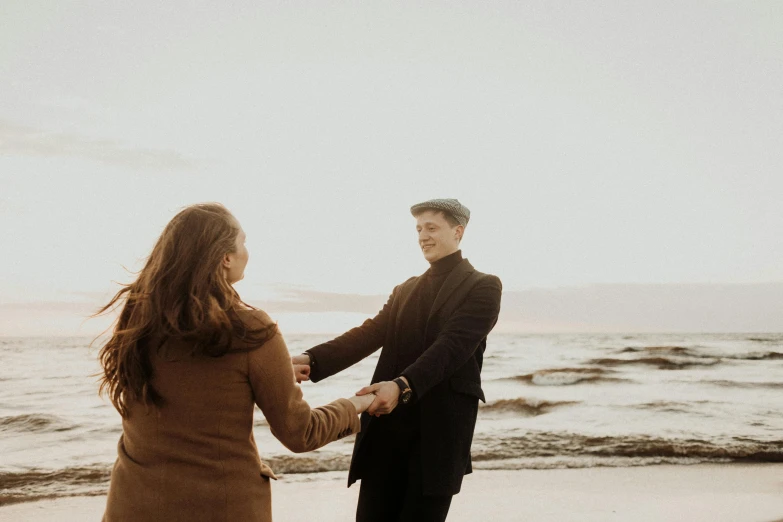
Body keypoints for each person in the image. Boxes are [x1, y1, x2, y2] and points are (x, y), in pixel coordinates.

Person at [97, 203, 374, 522]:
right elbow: (300, 433)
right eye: (243, 242)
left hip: (131, 507)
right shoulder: (250, 330)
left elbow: (198, 376)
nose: (247, 251)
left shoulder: (138, 321)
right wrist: (358, 404)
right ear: (225, 257)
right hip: (220, 509)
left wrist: (273, 368)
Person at [292, 198, 503, 522]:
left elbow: (452, 346)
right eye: (419, 229)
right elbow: (368, 334)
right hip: (385, 432)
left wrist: (403, 386)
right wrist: (310, 359)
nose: (423, 236)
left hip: (437, 438)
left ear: (458, 231)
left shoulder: (483, 287)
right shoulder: (405, 290)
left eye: (432, 227)